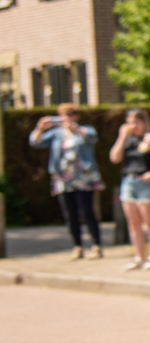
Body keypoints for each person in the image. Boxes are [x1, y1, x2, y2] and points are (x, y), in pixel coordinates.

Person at [29, 104, 105, 259]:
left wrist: (75, 129)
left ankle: (97, 245)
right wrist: (40, 128)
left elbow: (91, 138)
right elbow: (35, 142)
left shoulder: (86, 129)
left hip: (83, 178)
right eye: (63, 115)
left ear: (77, 115)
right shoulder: (57, 134)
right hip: (63, 179)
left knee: (87, 211)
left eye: (70, 114)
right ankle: (77, 246)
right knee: (70, 214)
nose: (66, 117)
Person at [110, 109, 150, 270]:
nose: (133, 126)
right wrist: (121, 137)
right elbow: (115, 158)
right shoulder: (128, 140)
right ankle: (138, 257)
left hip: (147, 183)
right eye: (130, 122)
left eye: (136, 122)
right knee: (133, 223)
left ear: (144, 122)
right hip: (129, 181)